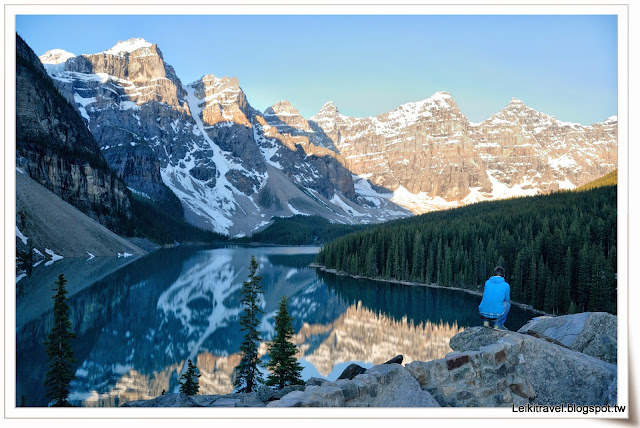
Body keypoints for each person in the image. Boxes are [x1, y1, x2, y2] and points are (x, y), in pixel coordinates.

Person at [478, 266, 511, 331]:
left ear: (494, 274)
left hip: (482, 313)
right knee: (507, 304)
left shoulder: (487, 282)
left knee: (487, 301)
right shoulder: (506, 285)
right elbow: (507, 299)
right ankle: (498, 325)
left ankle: (486, 322)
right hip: (497, 314)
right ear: (503, 275)